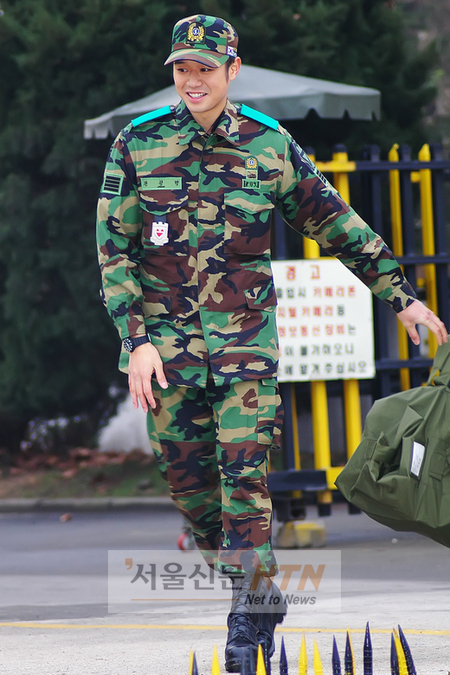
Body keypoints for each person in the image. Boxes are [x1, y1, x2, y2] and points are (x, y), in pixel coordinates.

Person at [96, 13, 447, 672]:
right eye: (182, 69)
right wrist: (135, 340)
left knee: (244, 480)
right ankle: (254, 588)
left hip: (245, 352)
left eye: (205, 68)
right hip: (167, 355)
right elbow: (114, 252)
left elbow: (334, 221)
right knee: (192, 491)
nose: (192, 80)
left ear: (232, 70)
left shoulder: (268, 145)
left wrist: (399, 294)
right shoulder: (137, 144)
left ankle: (248, 613)